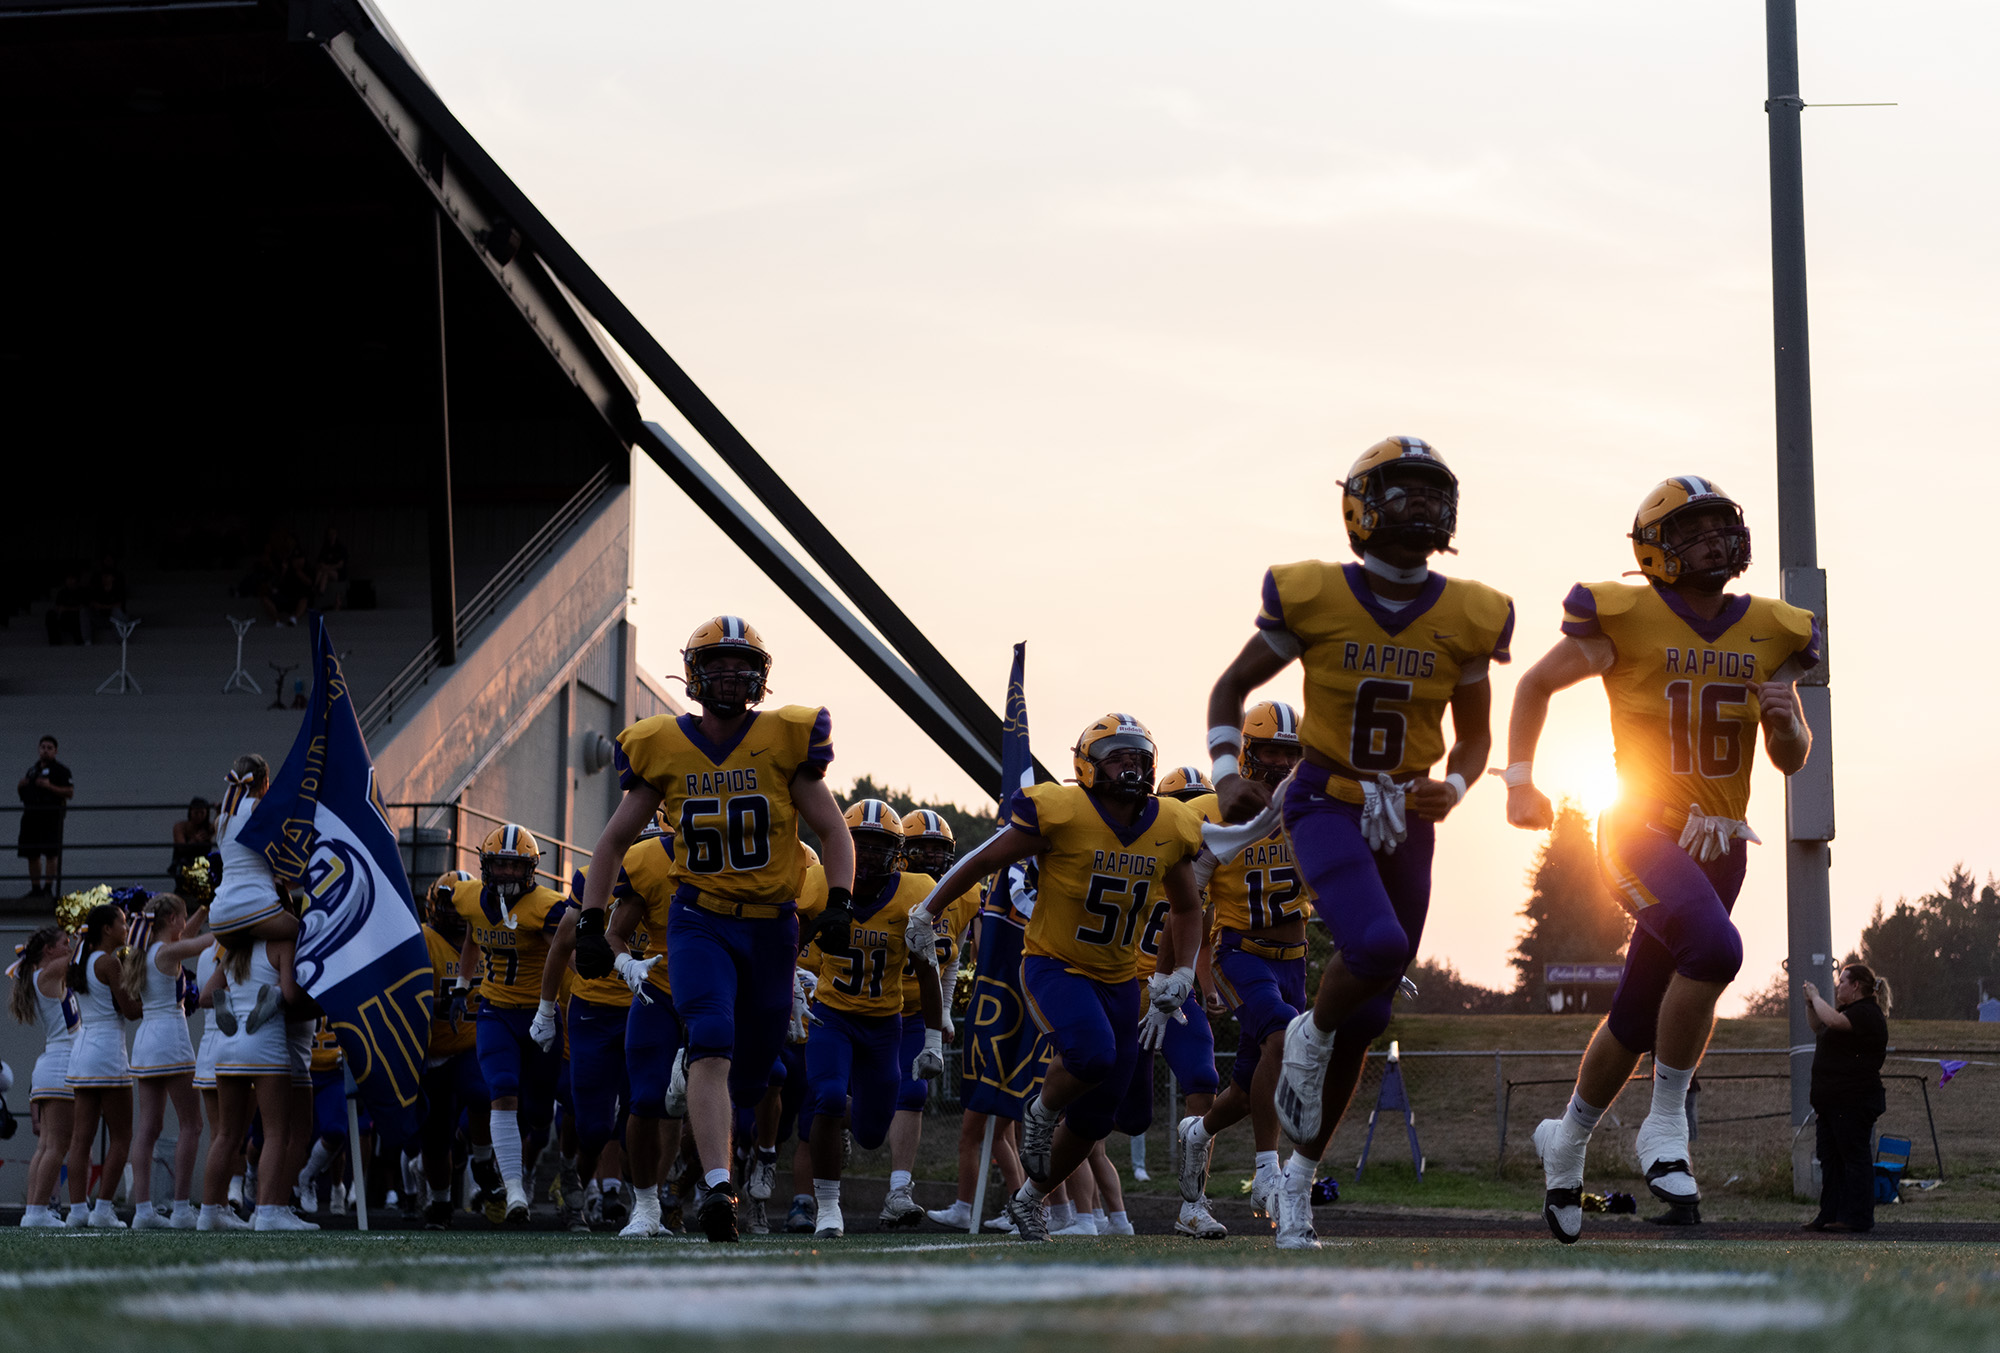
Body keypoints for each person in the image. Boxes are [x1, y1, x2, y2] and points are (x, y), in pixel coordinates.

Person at [1206, 437, 1512, 1250]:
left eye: (1429, 492)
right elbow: (1232, 688)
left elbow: (1475, 740)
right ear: (1360, 505)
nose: (1418, 506)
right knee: (1373, 943)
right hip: (1325, 799)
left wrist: (1462, 782)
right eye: (1400, 490)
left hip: (1408, 815)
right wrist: (1228, 766)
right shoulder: (1313, 593)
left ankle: (1300, 1182)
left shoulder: (1469, 611)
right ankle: (1305, 1033)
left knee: (1371, 1010)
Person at [1504, 475, 1818, 1244]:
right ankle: (1665, 1124)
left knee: (1636, 1012)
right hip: (1640, 828)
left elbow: (1792, 755)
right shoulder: (1624, 613)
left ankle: (1566, 1139)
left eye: (1721, 527)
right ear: (1655, 549)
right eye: (1693, 530)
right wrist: (1519, 778)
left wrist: (1782, 724)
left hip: (1722, 843)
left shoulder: (1775, 628)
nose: (1714, 540)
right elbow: (1538, 683)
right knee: (1716, 949)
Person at [572, 615, 855, 1244]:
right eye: (718, 664)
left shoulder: (786, 738)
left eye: (742, 665)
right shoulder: (661, 744)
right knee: (712, 1036)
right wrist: (594, 920)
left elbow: (834, 830)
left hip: (772, 928)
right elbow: (615, 838)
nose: (732, 676)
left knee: (753, 1077)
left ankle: (697, 1090)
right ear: (694, 674)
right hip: (699, 918)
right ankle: (719, 1190)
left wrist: (838, 901)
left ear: (762, 676)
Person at [905, 713, 1207, 1243]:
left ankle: (1028, 1201)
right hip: (1054, 963)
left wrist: (1182, 970)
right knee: (1091, 1053)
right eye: (1116, 756)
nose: (1130, 766)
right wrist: (928, 908)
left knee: (1097, 1120)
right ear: (1086, 766)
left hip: (1119, 979)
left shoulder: (1168, 824)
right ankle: (1041, 1110)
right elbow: (981, 860)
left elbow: (1187, 907)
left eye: (1138, 756)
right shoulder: (1061, 811)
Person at [1174, 703, 1308, 1239]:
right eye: (1271, 751)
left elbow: (1340, 883)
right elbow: (1186, 902)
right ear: (1248, 754)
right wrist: (1179, 971)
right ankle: (1267, 1172)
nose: (1280, 763)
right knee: (1280, 1031)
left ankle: (1198, 1133)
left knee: (1250, 1080)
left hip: (1295, 959)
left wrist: (1376, 950)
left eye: (1290, 753)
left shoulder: (1310, 807)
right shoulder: (1216, 810)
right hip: (1240, 952)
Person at [794, 800, 946, 1239]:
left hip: (884, 1023)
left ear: (897, 852)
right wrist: (785, 989)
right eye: (860, 843)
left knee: (872, 1133)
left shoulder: (913, 892)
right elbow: (790, 942)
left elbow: (927, 970)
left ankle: (842, 1121)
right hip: (831, 1015)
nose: (869, 855)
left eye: (879, 847)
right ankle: (828, 1208)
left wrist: (933, 1040)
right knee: (824, 1097)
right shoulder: (822, 883)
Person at [1115, 764, 1225, 1238]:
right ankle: (1045, 1194)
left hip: (1174, 996)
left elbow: (1193, 937)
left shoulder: (1213, 870)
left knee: (1203, 1077)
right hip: (1121, 990)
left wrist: (1207, 984)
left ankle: (1193, 1204)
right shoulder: (1135, 853)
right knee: (1120, 1112)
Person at [447, 825, 571, 1225]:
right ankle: (515, 1191)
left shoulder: (547, 907)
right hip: (495, 1010)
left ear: (530, 870)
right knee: (500, 1089)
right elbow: (472, 936)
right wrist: (463, 985)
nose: (505, 874)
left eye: (514, 867)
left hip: (540, 1014)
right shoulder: (467, 897)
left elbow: (567, 956)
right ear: (485, 866)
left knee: (538, 1114)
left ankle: (522, 1173)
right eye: (499, 865)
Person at [879, 808, 978, 1229]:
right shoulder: (886, 887)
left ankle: (900, 1190)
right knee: (842, 1099)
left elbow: (949, 960)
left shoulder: (961, 896)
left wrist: (946, 1012)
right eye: (923, 851)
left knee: (914, 1093)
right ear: (902, 853)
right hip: (870, 1007)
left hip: (920, 1011)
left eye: (940, 852)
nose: (934, 861)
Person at [599, 821, 683, 1237]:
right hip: (663, 993)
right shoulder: (648, 860)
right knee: (647, 1098)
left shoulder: (742, 859)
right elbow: (614, 934)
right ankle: (647, 1206)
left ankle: (711, 1189)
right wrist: (625, 962)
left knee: (740, 1094)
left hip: (721, 993)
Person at [206, 932, 314, 1230]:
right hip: (266, 1044)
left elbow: (204, 995)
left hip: (228, 1046)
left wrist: (230, 996)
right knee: (277, 1133)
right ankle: (267, 1212)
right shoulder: (282, 944)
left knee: (226, 1135)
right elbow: (293, 997)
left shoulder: (232, 948)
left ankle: (208, 1211)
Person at [122, 894, 212, 1228]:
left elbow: (186, 937)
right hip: (171, 1039)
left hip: (146, 1042)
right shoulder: (167, 952)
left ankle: (143, 1211)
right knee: (193, 1124)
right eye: (184, 916)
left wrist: (203, 906)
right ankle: (181, 1208)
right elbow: (204, 941)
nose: (184, 924)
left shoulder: (146, 951)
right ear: (172, 918)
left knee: (148, 1127)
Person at [418, 870, 498, 1229]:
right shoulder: (423, 939)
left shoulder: (488, 935)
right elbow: (409, 995)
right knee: (436, 1137)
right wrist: (436, 1005)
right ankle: (439, 1202)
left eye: (458, 905)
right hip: (433, 1051)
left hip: (472, 1043)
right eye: (447, 904)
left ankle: (482, 1159)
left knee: (480, 1093)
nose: (453, 912)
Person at [64, 902, 141, 1227]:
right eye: (122, 923)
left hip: (83, 1052)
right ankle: (103, 1209)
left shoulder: (79, 959)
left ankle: (78, 1210)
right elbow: (132, 1010)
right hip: (108, 1052)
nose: (127, 929)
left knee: (81, 1138)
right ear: (107, 929)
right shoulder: (109, 963)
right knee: (122, 1136)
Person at [208, 755, 298, 1026]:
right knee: (303, 935)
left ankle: (223, 994)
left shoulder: (221, 819)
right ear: (264, 781)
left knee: (242, 945)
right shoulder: (259, 807)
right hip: (255, 905)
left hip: (221, 917)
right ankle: (281, 994)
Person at [1804, 963, 1891, 1234]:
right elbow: (1819, 1025)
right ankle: (1829, 1214)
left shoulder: (1867, 1013)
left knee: (1853, 1158)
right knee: (1830, 1160)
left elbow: (1832, 1021)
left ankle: (1858, 1217)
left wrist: (1817, 997)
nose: (1838, 985)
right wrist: (1810, 1004)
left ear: (1856, 986)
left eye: (1842, 981)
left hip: (1853, 1101)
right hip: (1832, 1103)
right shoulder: (1847, 1011)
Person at [9, 924, 77, 1226]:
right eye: (64, 942)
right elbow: (80, 958)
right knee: (57, 1145)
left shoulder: (43, 976)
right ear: (49, 951)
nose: (69, 945)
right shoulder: (46, 975)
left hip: (54, 1062)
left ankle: (33, 1211)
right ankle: (37, 1211)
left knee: (48, 1145)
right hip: (61, 1064)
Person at [17, 735, 73, 899]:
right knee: (32, 853)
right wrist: (21, 787)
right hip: (31, 817)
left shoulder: (61, 771)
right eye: (43, 747)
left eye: (49, 748)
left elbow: (69, 792)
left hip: (51, 817)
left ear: (55, 751)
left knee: (51, 853)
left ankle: (48, 888)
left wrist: (50, 786)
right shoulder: (33, 770)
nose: (45, 751)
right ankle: (36, 889)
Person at [312, 528, 349, 607]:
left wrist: (328, 567)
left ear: (336, 534)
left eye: (333, 533)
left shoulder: (340, 548)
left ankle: (320, 591)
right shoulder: (325, 548)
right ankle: (316, 589)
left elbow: (340, 565)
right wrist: (324, 567)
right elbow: (320, 562)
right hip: (325, 571)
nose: (331, 536)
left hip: (338, 574)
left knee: (325, 572)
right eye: (330, 534)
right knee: (321, 573)